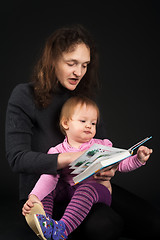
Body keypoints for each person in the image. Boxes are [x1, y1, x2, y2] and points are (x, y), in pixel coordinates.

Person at [5, 24, 160, 239]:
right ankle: (51, 226)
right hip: (45, 188)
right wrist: (73, 158)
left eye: (85, 65)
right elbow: (17, 158)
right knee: (106, 226)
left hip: (86, 185)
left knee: (153, 222)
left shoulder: (82, 100)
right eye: (72, 63)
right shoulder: (24, 95)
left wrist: (109, 169)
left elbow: (105, 148)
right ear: (52, 60)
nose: (79, 72)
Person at [22, 96, 152, 240]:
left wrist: (138, 159)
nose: (89, 126)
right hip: (67, 190)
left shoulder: (102, 146)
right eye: (83, 121)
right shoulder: (57, 150)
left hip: (95, 190)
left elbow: (122, 164)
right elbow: (48, 177)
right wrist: (34, 196)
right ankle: (45, 221)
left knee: (87, 188)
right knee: (47, 188)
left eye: (93, 123)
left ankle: (62, 230)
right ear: (66, 123)